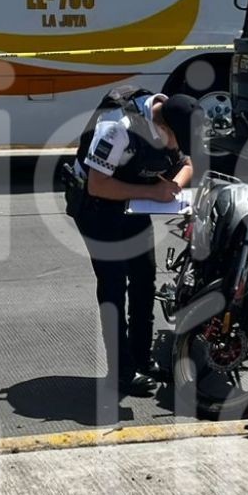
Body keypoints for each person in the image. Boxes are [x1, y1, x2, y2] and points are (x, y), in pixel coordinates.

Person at [73, 93, 200, 398]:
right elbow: (97, 185)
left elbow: (187, 164)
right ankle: (122, 372)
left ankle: (142, 360)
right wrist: (153, 192)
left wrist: (172, 187)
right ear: (161, 125)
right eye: (174, 139)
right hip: (94, 206)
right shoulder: (118, 129)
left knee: (144, 280)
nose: (176, 147)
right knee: (113, 286)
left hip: (133, 203)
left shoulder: (176, 114)